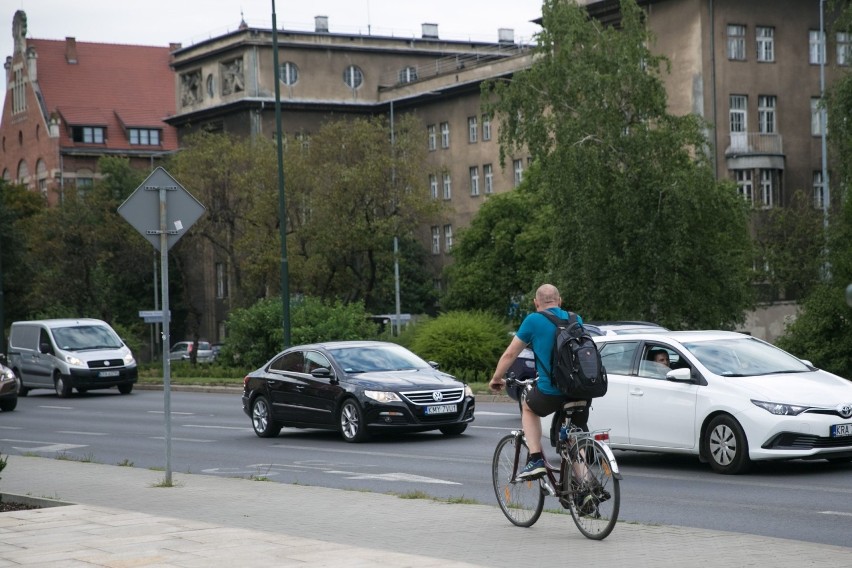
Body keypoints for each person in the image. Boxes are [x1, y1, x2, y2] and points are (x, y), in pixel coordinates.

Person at [489, 284, 590, 480]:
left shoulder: (533, 320)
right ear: (559, 301)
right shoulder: (575, 318)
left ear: (536, 303)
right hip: (581, 390)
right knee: (573, 438)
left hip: (551, 391)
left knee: (528, 408)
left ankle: (536, 460)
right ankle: (586, 488)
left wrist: (496, 378)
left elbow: (511, 353)